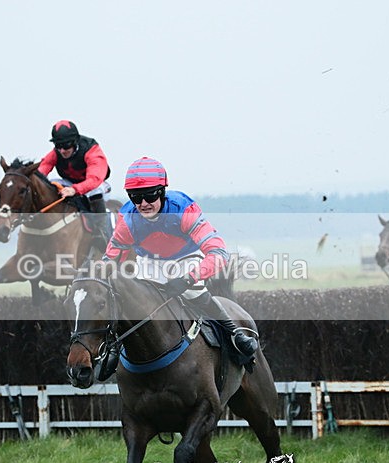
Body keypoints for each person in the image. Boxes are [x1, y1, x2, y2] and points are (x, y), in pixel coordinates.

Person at [100, 156, 259, 378]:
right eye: (135, 197)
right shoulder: (128, 218)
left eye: (150, 195)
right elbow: (111, 258)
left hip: (186, 257)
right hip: (149, 262)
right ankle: (113, 348)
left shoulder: (183, 209)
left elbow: (218, 253)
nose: (143, 203)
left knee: (193, 291)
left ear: (162, 191)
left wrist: (188, 278)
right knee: (133, 300)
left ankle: (235, 335)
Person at [37, 120, 112, 251]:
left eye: (66, 145)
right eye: (58, 146)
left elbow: (94, 179)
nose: (62, 150)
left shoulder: (91, 150)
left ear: (75, 141)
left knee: (96, 190)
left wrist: (74, 190)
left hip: (95, 184)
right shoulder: (56, 152)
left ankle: (101, 232)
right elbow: (42, 169)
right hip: (71, 183)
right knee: (51, 183)